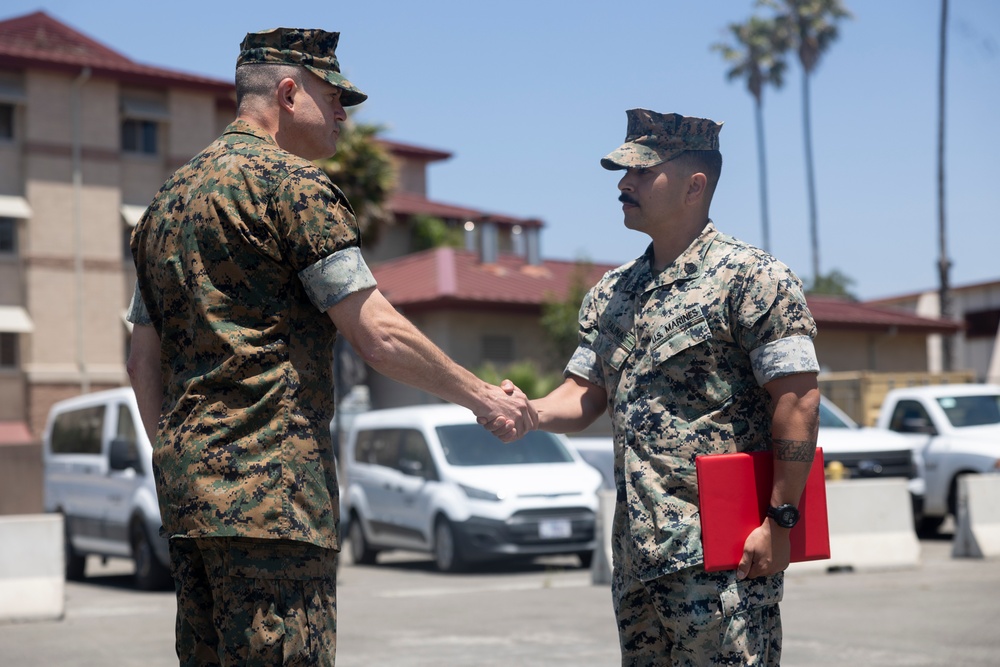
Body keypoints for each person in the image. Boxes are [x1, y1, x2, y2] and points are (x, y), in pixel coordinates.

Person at [125, 27, 535, 666]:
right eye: (334, 95)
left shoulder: (163, 207)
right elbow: (377, 334)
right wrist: (484, 397)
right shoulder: (295, 188)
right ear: (288, 93)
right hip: (274, 507)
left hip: (189, 506)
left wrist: (182, 463)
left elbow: (139, 360)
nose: (345, 114)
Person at [524, 109, 821, 666]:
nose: (623, 184)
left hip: (723, 554)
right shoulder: (610, 293)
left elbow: (797, 399)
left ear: (695, 185)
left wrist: (781, 522)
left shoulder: (753, 278)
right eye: (622, 171)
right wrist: (529, 413)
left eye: (640, 171)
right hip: (639, 553)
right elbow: (583, 394)